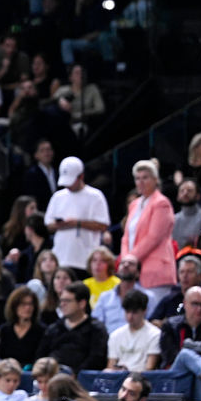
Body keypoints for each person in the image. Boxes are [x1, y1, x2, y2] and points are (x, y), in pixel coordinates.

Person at [121, 160, 177, 298]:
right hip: (133, 270)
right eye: (137, 178)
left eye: (145, 177)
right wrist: (125, 260)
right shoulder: (134, 204)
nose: (141, 182)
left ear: (155, 179)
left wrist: (131, 258)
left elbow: (154, 237)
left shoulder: (162, 203)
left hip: (155, 269)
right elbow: (126, 237)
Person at [44, 156, 110, 272]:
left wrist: (77, 223)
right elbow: (48, 225)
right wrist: (62, 224)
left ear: (81, 176)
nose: (68, 186)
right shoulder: (57, 197)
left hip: (85, 260)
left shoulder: (95, 196)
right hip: (61, 258)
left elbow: (103, 225)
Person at [159, 287, 201, 401]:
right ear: (185, 304)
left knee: (199, 377)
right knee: (185, 355)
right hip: (177, 379)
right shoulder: (170, 326)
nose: (199, 309)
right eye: (195, 304)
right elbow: (170, 358)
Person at [35, 281, 109, 371]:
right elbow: (41, 356)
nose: (62, 304)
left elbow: (96, 360)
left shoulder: (96, 330)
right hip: (51, 377)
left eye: (67, 301)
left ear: (82, 303)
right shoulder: (53, 329)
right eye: (61, 300)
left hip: (81, 379)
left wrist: (75, 374)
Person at [105, 290, 162, 372]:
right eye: (127, 312)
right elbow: (111, 365)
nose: (130, 316)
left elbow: (149, 368)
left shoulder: (155, 334)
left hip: (141, 380)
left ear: (144, 311)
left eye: (134, 312)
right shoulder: (115, 335)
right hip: (118, 379)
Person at [0, 287, 43, 367]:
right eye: (23, 304)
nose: (28, 308)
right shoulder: (4, 330)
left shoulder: (42, 331)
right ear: (14, 306)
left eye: (30, 304)